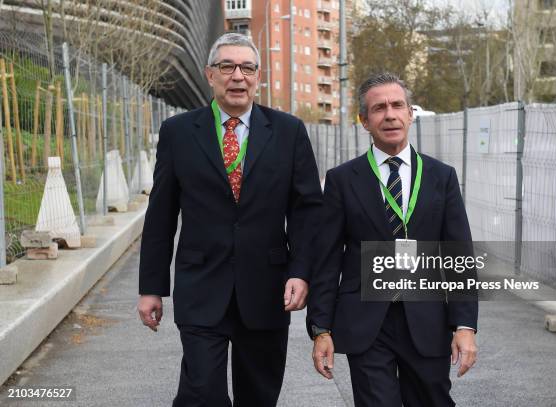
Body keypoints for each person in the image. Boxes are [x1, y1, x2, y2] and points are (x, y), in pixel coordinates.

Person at [137, 33, 323, 407]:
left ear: (258, 76)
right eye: (228, 67)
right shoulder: (179, 133)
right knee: (201, 393)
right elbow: (161, 213)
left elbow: (307, 212)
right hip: (201, 285)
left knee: (259, 396)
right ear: (210, 74)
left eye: (248, 68)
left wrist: (301, 272)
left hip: (268, 290)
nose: (238, 76)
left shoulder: (288, 132)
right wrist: (151, 287)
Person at [307, 72, 478, 407]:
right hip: (367, 323)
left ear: (410, 113)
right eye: (379, 108)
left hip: (427, 320)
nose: (390, 114)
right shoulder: (343, 180)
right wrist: (321, 328)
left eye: (398, 105)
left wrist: (465, 326)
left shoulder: (441, 177)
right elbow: (326, 259)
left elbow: (459, 255)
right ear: (364, 121)